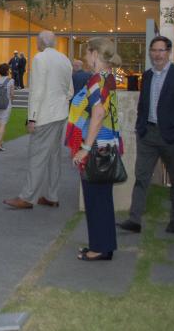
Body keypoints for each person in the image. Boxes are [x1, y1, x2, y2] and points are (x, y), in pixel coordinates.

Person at [119, 36, 174, 235]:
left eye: (161, 50)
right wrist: (139, 127)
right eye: (154, 50)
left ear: (169, 52)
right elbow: (143, 105)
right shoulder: (148, 75)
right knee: (141, 177)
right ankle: (135, 220)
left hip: (171, 136)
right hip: (148, 134)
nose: (157, 54)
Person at [66, 37, 123, 261]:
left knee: (95, 199)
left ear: (95, 54)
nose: (85, 57)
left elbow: (98, 114)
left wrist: (85, 148)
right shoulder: (109, 77)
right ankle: (102, 245)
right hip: (107, 145)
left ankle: (99, 248)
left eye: (87, 53)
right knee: (102, 199)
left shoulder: (96, 80)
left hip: (96, 146)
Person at [3, 31, 73, 209]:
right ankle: (51, 196)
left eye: (36, 41)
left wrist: (32, 118)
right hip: (60, 115)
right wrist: (60, 104)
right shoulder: (65, 60)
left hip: (45, 116)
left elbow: (37, 91)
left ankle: (27, 197)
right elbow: (70, 91)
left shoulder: (40, 58)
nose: (36, 44)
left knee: (37, 155)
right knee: (53, 157)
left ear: (41, 42)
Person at [0, 63, 15, 151]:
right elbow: (12, 94)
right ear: (7, 71)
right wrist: (12, 100)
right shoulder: (11, 80)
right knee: (3, 123)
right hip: (6, 104)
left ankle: (1, 142)